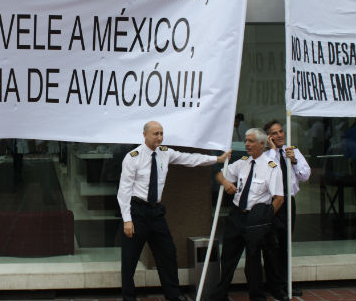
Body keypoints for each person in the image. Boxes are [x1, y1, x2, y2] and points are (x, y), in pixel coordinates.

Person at [117, 121, 231, 301]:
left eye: (162, 133)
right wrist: (127, 220)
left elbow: (190, 159)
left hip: (156, 213)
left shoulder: (165, 153)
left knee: (167, 253)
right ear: (145, 134)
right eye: (156, 134)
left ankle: (173, 295)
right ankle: (128, 297)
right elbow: (124, 191)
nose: (160, 137)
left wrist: (216, 159)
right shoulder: (133, 157)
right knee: (130, 259)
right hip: (136, 212)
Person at [207, 128, 284, 301]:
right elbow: (218, 173)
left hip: (256, 218)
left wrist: (265, 219)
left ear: (262, 144)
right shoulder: (242, 162)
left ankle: (256, 296)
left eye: (251, 141)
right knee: (228, 257)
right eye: (246, 141)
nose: (247, 144)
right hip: (236, 216)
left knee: (253, 261)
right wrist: (226, 182)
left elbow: (279, 198)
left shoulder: (272, 167)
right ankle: (220, 295)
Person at [262, 120, 311, 298]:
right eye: (274, 133)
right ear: (268, 137)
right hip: (273, 202)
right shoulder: (266, 154)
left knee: (285, 245)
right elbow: (269, 171)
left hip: (289, 201)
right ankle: (274, 286)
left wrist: (294, 160)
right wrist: (274, 151)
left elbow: (305, 175)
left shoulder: (293, 150)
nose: (280, 135)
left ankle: (284, 284)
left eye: (281, 131)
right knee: (272, 244)